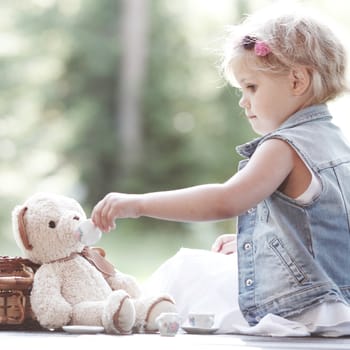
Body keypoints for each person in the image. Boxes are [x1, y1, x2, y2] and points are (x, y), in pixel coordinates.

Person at [92, 4, 350, 336]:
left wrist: (139, 204)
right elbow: (326, 232)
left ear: (297, 80)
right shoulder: (336, 144)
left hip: (297, 307)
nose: (244, 101)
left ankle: (118, 312)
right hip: (336, 301)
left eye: (252, 87)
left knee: (185, 269)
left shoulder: (283, 146)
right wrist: (262, 241)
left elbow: (225, 200)